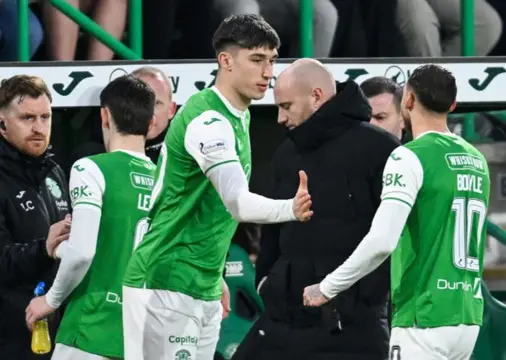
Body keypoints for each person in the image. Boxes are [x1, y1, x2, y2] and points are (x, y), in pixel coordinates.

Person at [121, 14, 313, 360]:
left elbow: (207, 211)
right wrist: (291, 209)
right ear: (225, 61)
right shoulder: (209, 121)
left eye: (271, 60)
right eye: (256, 60)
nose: (268, 72)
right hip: (167, 281)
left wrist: (214, 275)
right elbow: (237, 204)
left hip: (202, 282)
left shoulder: (240, 114)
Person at [303, 64, 491, 360]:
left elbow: (382, 242)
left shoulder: (408, 156)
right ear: (452, 105)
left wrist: (327, 287)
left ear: (408, 101)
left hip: (423, 317)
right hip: (468, 315)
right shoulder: (476, 159)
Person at [233, 59, 400, 360]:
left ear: (317, 96)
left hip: (354, 328)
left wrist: (365, 298)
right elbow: (274, 226)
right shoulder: (286, 152)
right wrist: (266, 282)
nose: (280, 118)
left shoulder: (382, 149)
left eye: (286, 106)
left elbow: (395, 235)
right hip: (284, 320)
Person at [24, 75, 157, 360]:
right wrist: (59, 248)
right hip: (144, 335)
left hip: (91, 329)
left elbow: (83, 253)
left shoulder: (91, 168)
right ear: (151, 122)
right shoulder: (165, 181)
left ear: (104, 115)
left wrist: (50, 300)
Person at [0, 75, 71, 359]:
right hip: (10, 338)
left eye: (45, 117)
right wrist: (44, 248)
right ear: (2, 123)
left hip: (57, 333)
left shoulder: (56, 173)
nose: (39, 128)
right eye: (27, 118)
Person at [68, 66, 176, 166]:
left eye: (157, 104)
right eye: (140, 103)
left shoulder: (181, 158)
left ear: (171, 110)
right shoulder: (88, 157)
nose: (148, 112)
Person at [360, 76, 404, 141]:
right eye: (363, 119)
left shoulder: (418, 150)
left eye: (380, 117)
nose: (370, 124)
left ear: (402, 119)